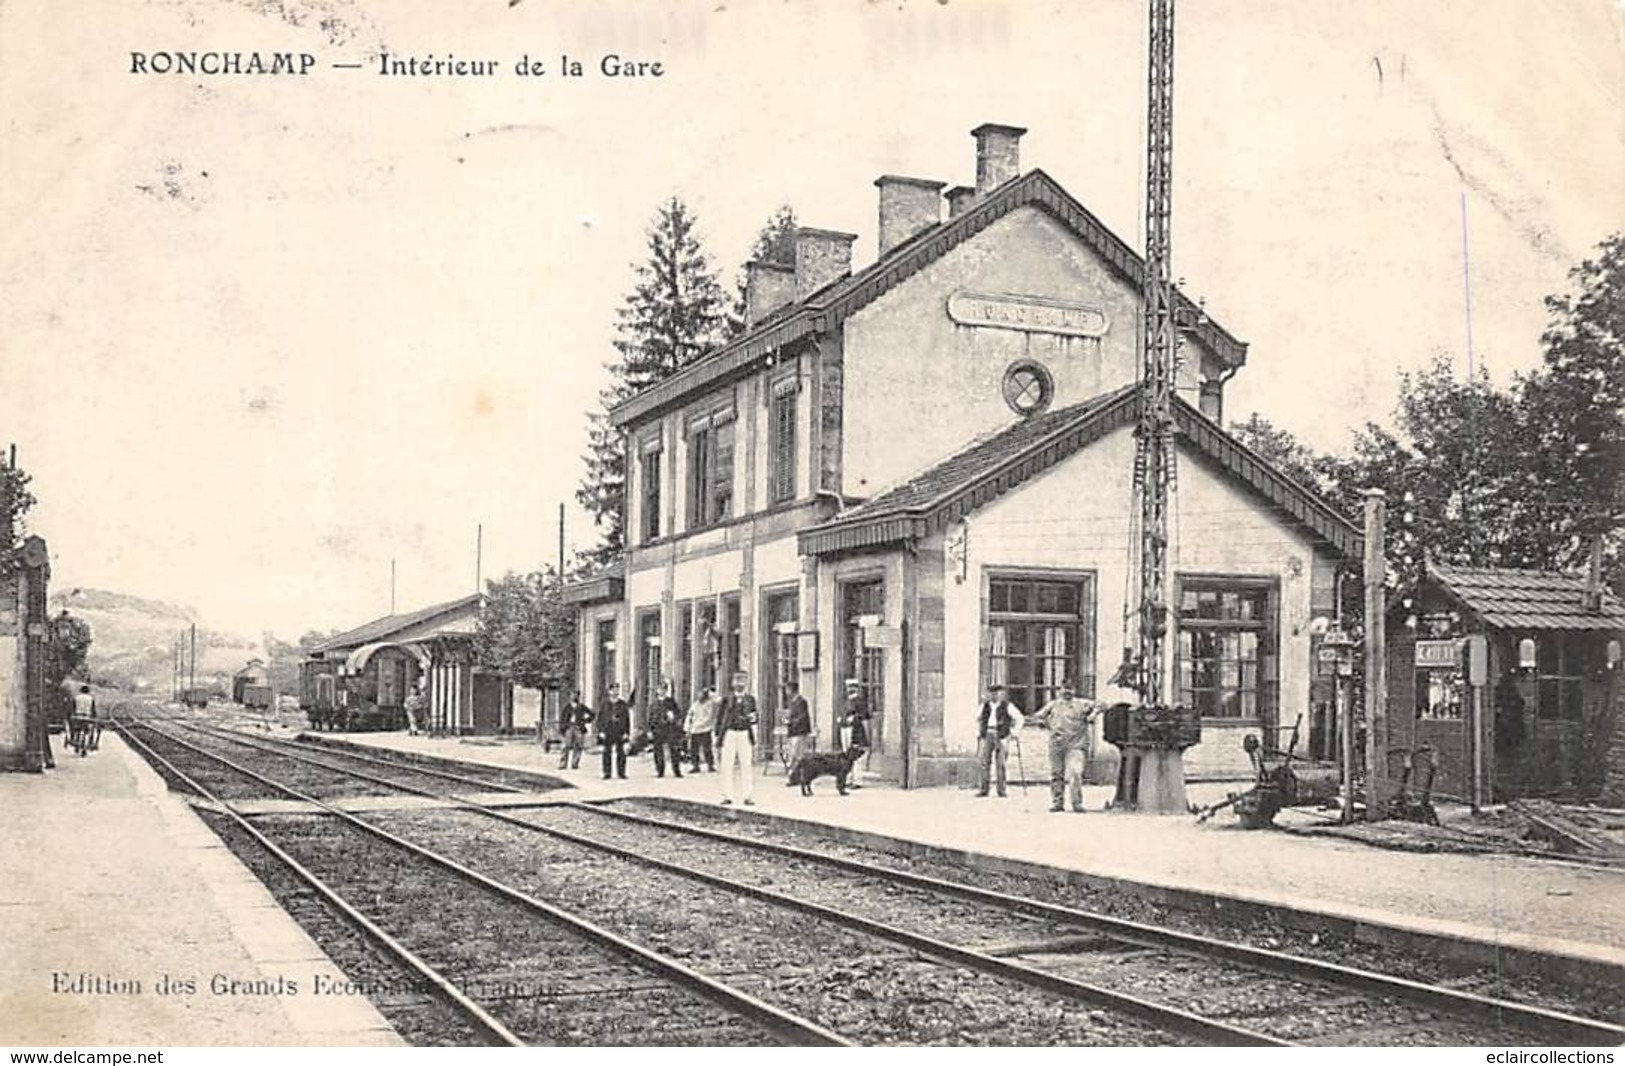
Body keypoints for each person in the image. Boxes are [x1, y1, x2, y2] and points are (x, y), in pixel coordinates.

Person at [1028, 684, 1098, 813]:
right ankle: (1057, 803)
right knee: (1056, 774)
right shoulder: (1053, 705)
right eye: (1064, 689)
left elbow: (1102, 704)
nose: (1067, 691)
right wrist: (1045, 723)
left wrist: (1093, 715)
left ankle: (1077, 803)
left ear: (1074, 690)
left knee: (1076, 772)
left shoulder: (1082, 704)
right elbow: (1037, 716)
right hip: (1057, 744)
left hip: (1076, 745)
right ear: (1060, 690)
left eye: (1070, 688)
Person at [714, 673, 759, 806]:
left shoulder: (750, 700)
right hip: (730, 733)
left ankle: (748, 796)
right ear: (733, 683)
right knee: (727, 765)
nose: (740, 683)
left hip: (744, 733)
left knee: (746, 764)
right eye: (737, 680)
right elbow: (720, 718)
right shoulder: (727, 699)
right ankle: (727, 795)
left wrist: (753, 719)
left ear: (746, 683)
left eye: (743, 680)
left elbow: (756, 717)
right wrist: (717, 735)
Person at [975, 683, 1022, 798]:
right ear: (988, 694)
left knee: (1001, 763)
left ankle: (1001, 790)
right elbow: (977, 719)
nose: (994, 695)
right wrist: (979, 732)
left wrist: (1014, 733)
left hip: (1002, 735)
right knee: (984, 762)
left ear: (1001, 694)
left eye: (996, 693)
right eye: (991, 693)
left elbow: (1019, 718)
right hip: (987, 734)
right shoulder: (984, 706)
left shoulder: (1007, 706)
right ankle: (984, 789)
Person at [649, 680, 685, 779]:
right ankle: (660, 770)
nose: (662, 691)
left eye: (664, 689)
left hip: (670, 729)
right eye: (660, 689)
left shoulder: (671, 702)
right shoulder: (654, 703)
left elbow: (678, 713)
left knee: (674, 750)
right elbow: (651, 717)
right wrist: (650, 730)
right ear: (657, 691)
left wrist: (674, 717)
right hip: (658, 729)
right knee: (658, 751)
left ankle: (676, 770)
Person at [598, 684, 631, 780]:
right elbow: (600, 719)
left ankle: (621, 772)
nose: (615, 692)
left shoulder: (623, 704)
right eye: (613, 690)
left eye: (617, 690)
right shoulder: (604, 704)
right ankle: (607, 772)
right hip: (608, 731)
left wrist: (626, 733)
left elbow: (627, 720)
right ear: (609, 692)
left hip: (619, 731)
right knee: (606, 753)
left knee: (621, 753)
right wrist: (601, 731)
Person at [684, 685, 718, 773]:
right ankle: (695, 765)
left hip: (705, 729)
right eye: (698, 694)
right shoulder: (695, 704)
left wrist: (699, 725)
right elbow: (690, 715)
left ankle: (710, 765)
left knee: (707, 748)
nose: (699, 695)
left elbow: (709, 717)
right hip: (695, 730)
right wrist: (688, 726)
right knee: (694, 749)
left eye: (701, 694)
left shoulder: (709, 704)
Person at [784, 679, 813, 777]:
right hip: (793, 732)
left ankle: (796, 775)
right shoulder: (792, 702)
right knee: (792, 754)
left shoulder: (801, 702)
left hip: (799, 732)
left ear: (792, 690)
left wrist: (790, 722)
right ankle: (793, 775)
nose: (786, 692)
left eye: (787, 689)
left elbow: (802, 717)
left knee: (797, 755)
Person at [558, 690, 593, 770]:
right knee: (566, 746)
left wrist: (586, 720)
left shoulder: (581, 707)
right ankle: (563, 764)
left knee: (578, 746)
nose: (574, 696)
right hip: (569, 727)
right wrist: (562, 728)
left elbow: (592, 714)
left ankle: (575, 763)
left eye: (576, 695)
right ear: (570, 696)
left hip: (578, 728)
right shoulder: (567, 707)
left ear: (578, 696)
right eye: (573, 695)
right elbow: (562, 718)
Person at [70, 684, 99, 753]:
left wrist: (72, 714)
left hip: (77, 715)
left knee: (76, 729)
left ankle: (74, 740)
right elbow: (93, 709)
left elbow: (73, 707)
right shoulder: (91, 698)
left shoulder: (76, 697)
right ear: (88, 691)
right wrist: (95, 717)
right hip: (87, 716)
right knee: (88, 731)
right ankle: (89, 743)